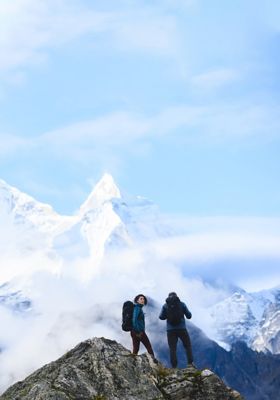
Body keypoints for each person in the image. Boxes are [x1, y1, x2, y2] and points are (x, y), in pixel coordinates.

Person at [159, 292, 194, 368]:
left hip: (170, 330)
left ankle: (174, 367)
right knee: (187, 346)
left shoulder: (165, 305)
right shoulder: (182, 304)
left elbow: (161, 317)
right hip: (182, 329)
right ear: (177, 296)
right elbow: (189, 316)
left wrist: (168, 316)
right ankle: (190, 364)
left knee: (172, 348)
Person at [131, 294, 158, 363]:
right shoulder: (137, 308)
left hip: (134, 331)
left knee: (136, 348)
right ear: (137, 300)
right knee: (148, 346)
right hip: (139, 331)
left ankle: (132, 363)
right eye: (141, 299)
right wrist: (138, 331)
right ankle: (154, 361)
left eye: (143, 299)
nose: (143, 300)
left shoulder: (138, 308)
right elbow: (134, 320)